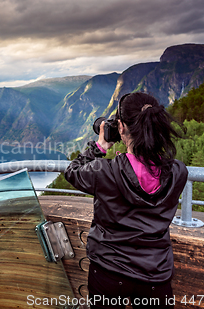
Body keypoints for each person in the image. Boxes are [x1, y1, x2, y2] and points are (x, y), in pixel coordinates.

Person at [64, 92, 188, 309]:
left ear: (120, 128)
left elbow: (72, 171)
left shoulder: (104, 171)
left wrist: (100, 146)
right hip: (155, 274)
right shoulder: (178, 172)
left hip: (108, 270)